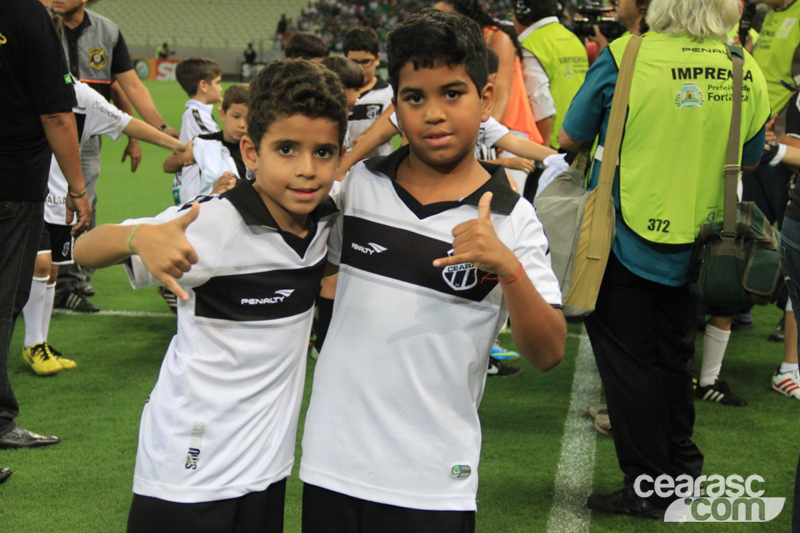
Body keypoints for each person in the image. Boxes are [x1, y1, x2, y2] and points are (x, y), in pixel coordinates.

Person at [299, 10, 565, 532]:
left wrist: (508, 270)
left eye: (452, 93)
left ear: (486, 98)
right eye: (415, 98)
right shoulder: (355, 192)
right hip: (333, 463)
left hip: (436, 479)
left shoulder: (513, 218)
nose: (434, 114)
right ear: (395, 106)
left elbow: (549, 352)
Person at [73, 59, 346, 532]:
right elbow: (84, 249)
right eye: (286, 149)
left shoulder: (328, 217)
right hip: (188, 464)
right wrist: (136, 238)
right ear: (250, 151)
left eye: (323, 152)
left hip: (266, 465)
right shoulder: (213, 222)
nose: (307, 170)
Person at [559, 0, 770, 517]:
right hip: (706, 243)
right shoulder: (744, 65)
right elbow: (754, 153)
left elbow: (570, 135)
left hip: (626, 234)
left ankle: (648, 486)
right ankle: (682, 470)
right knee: (674, 358)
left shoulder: (626, 54)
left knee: (629, 366)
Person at [21, 81, 187, 375]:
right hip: (28, 194)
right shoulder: (23, 85)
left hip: (63, 198)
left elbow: (126, 123)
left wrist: (176, 145)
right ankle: (32, 343)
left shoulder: (81, 95)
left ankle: (41, 343)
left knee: (54, 270)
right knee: (40, 262)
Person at [0, 0, 91, 474]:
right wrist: (78, 188)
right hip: (12, 183)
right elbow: (57, 115)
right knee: (4, 299)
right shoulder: (27, 16)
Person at [51, 0, 179, 310]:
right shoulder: (37, 21)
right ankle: (45, 275)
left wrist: (161, 127)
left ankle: (70, 280)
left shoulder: (107, 31)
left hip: (86, 133)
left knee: (83, 203)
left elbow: (128, 85)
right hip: (38, 130)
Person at [434, 0, 543, 146]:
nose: (437, 24)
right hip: (474, 127)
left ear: (464, 16)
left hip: (509, 129)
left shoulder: (496, 37)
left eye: (444, 17)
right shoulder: (452, 45)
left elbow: (500, 97)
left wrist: (482, 140)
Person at [513, 0, 589, 148]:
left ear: (523, 14)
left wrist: (544, 151)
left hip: (551, 142)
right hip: (579, 133)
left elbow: (540, 99)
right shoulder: (573, 39)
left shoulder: (530, 44)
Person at [163, 84, 249, 197]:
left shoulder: (257, 148)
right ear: (223, 114)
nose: (242, 125)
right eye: (236, 117)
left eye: (248, 118)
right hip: (211, 209)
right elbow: (167, 166)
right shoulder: (204, 143)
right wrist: (184, 158)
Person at [172, 58, 223, 205]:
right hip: (194, 189)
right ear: (203, 86)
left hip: (197, 187)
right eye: (217, 82)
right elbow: (220, 144)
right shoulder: (195, 114)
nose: (220, 88)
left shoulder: (200, 114)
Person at [343, 26, 395, 157]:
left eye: (366, 62)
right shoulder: (336, 93)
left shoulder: (390, 94)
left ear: (377, 59)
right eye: (354, 62)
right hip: (343, 173)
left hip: (379, 172)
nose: (360, 68)